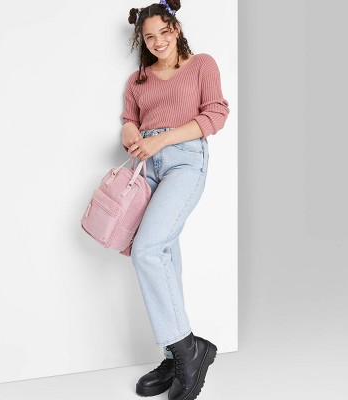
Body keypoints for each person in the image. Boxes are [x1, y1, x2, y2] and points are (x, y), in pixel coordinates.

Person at [121, 1, 230, 398]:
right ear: (142, 40)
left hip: (185, 160)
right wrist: (131, 134)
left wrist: (162, 139)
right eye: (149, 37)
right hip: (146, 168)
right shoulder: (138, 80)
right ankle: (175, 353)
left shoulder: (202, 65)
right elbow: (129, 120)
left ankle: (188, 349)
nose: (158, 42)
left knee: (146, 250)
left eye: (164, 32)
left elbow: (216, 115)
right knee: (164, 254)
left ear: (176, 28)